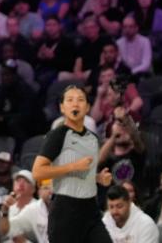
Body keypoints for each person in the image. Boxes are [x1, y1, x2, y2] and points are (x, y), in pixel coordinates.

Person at [32, 85, 114, 243]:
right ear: (62, 108)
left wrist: (97, 178)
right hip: (65, 212)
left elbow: (83, 173)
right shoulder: (57, 135)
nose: (75, 104)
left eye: (80, 100)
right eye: (70, 100)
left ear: (88, 107)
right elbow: (37, 172)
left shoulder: (93, 139)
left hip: (90, 209)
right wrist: (73, 166)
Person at [0, 178, 53, 243]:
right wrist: (4, 210)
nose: (51, 191)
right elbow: (6, 230)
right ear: (39, 192)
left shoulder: (67, 206)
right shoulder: (34, 209)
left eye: (54, 188)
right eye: (46, 188)